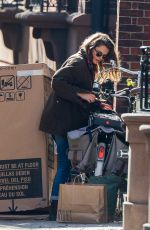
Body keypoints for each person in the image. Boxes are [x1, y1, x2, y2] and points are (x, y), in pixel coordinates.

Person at [39, 32, 120, 220]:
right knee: (65, 165)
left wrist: (98, 103)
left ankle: (63, 206)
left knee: (68, 164)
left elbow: (80, 91)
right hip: (60, 121)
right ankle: (55, 209)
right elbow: (57, 82)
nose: (100, 58)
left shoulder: (89, 63)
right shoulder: (78, 62)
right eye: (98, 53)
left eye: (104, 55)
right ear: (90, 47)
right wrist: (82, 95)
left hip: (67, 121)